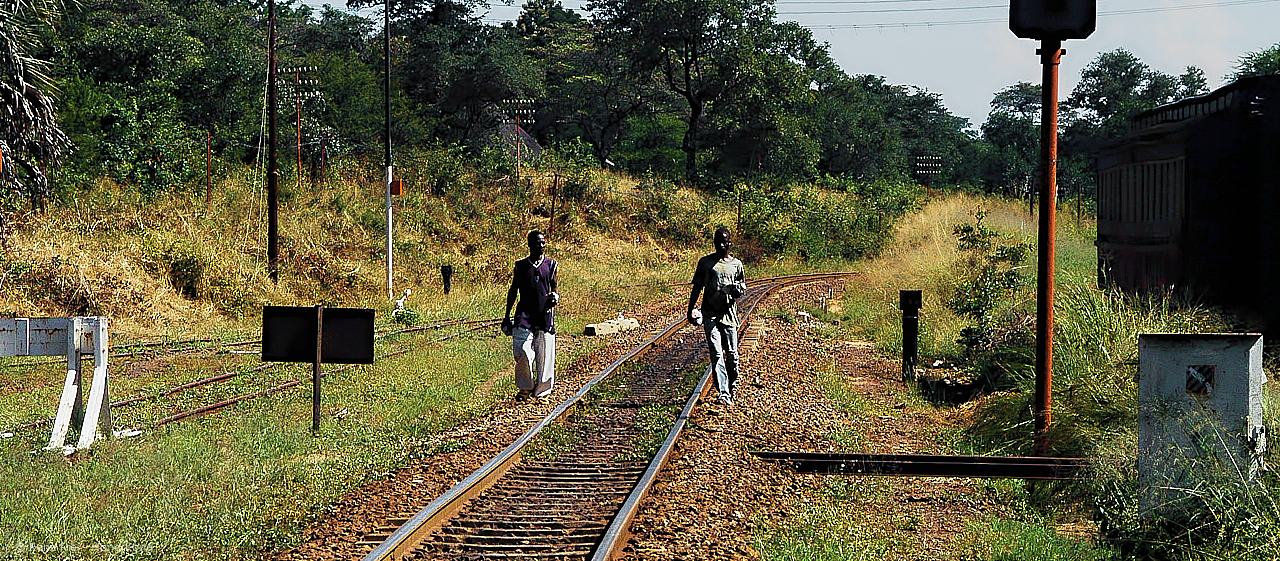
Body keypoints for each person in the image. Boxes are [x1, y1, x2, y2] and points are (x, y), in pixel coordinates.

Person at [687, 227, 747, 406]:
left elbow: (741, 286)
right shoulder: (705, 263)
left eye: (724, 242)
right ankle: (723, 392)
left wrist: (736, 291)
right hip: (710, 315)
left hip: (728, 315)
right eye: (718, 242)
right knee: (716, 353)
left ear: (730, 243)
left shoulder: (736, 265)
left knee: (732, 355)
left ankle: (732, 383)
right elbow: (697, 287)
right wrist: (690, 310)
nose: (721, 245)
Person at [503, 230, 560, 400]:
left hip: (544, 314)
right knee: (522, 350)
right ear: (529, 245)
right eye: (537, 243)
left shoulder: (551, 265)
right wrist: (507, 315)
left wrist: (555, 296)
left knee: (545, 353)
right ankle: (525, 387)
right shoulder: (521, 266)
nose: (541, 247)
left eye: (543, 243)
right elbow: (513, 290)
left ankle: (542, 391)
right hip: (524, 314)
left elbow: (554, 286)